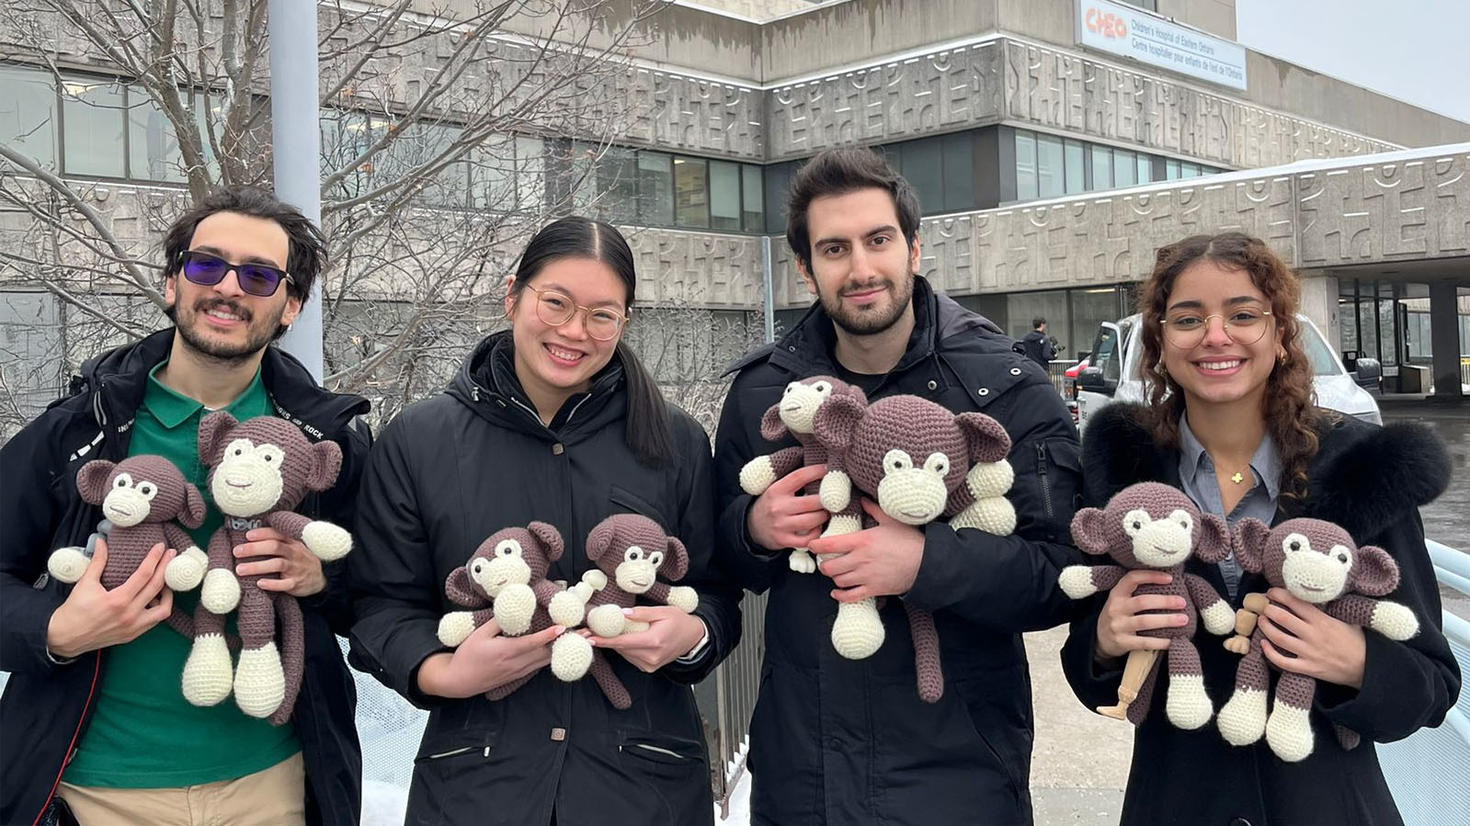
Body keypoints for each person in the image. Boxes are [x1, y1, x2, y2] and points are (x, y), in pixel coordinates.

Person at [713, 148, 1083, 824]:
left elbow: (1061, 571)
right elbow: (718, 558)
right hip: (803, 776)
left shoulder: (1004, 388)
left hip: (959, 775)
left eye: (877, 240)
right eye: (833, 249)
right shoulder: (765, 394)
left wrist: (926, 563)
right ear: (805, 267)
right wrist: (752, 529)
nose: (859, 269)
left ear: (913, 247)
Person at [347, 216, 743, 826]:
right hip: (477, 789)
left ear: (625, 322)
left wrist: (691, 638)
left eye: (602, 314)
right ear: (513, 296)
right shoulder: (421, 441)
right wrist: (443, 671)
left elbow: (715, 591)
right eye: (555, 302)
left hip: (643, 791)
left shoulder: (675, 441)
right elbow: (379, 604)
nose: (574, 331)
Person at [0, 186, 370, 826]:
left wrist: (324, 578)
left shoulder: (327, 440)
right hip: (94, 792)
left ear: (291, 306)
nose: (229, 287)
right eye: (207, 265)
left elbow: (383, 589)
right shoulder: (75, 432)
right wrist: (56, 630)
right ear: (172, 283)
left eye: (259, 275)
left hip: (272, 786)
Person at [1062, 232, 1460, 825]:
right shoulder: (1127, 471)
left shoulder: (1360, 470)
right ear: (1160, 341)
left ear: (1279, 335)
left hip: (1327, 805)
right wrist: (1103, 642)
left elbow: (1431, 686)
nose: (1215, 336)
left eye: (1243, 314)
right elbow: (1089, 676)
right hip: (1175, 801)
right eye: (1188, 318)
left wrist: (1355, 662)